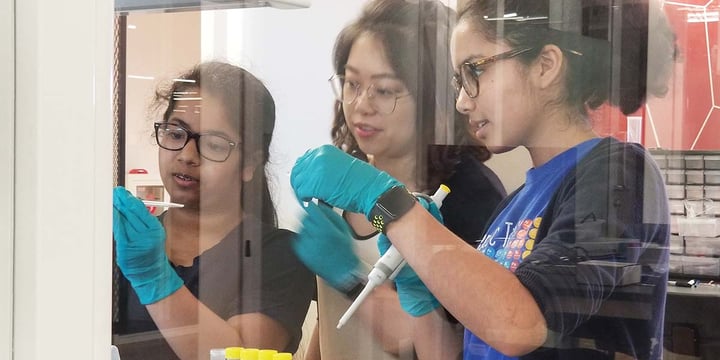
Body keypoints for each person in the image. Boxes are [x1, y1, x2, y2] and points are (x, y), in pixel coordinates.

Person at [290, 0, 677, 359]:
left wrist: (387, 203)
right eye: (459, 81)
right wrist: (419, 293)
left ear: (545, 65)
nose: (462, 101)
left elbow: (520, 325)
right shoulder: (517, 203)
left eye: (475, 70)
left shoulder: (618, 173)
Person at [293, 1, 506, 359]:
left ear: (434, 99)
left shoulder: (467, 197)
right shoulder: (344, 181)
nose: (361, 104)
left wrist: (351, 279)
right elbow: (331, 324)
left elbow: (453, 348)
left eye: (385, 90)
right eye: (352, 83)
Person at [112, 61, 315, 360]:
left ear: (249, 163)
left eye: (214, 145)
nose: (187, 155)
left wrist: (153, 276)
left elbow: (243, 353)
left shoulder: (277, 255)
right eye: (175, 134)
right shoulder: (128, 245)